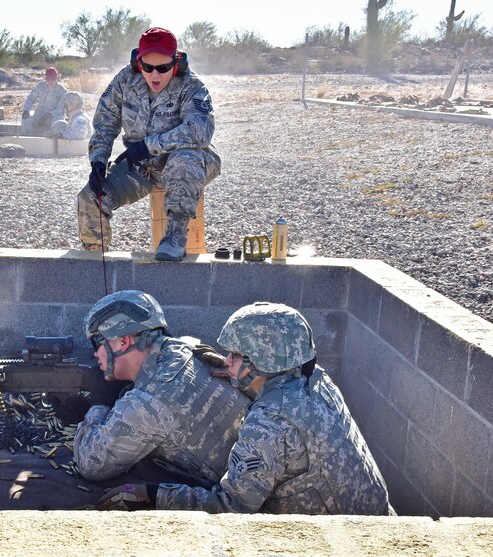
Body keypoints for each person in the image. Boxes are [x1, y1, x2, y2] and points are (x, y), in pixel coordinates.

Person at [97, 302, 392, 515]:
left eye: (237, 356)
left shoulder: (268, 425)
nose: (226, 360)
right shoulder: (317, 378)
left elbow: (230, 505)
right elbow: (282, 393)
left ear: (263, 362)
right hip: (380, 519)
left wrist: (153, 494)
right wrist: (240, 375)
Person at [73, 290, 249, 487]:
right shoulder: (187, 346)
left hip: (237, 502)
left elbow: (90, 464)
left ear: (123, 341)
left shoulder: (148, 402)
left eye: (97, 342)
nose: (95, 353)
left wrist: (99, 404)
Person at [77, 27, 221, 261]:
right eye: (147, 67)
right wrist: (98, 162)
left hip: (190, 161)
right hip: (142, 166)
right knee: (90, 197)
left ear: (176, 63)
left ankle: (175, 238)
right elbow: (104, 124)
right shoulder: (125, 80)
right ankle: (94, 260)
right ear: (138, 62)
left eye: (163, 68)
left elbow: (200, 131)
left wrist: (148, 145)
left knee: (183, 160)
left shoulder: (192, 86)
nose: (155, 75)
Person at [21, 66, 67, 136]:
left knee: (59, 122)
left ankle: (55, 138)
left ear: (57, 78)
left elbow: (60, 109)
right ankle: (26, 137)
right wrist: (26, 109)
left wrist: (49, 115)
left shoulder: (62, 91)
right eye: (48, 79)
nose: (50, 81)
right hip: (39, 113)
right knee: (26, 118)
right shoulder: (40, 85)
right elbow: (31, 98)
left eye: (53, 79)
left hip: (53, 115)